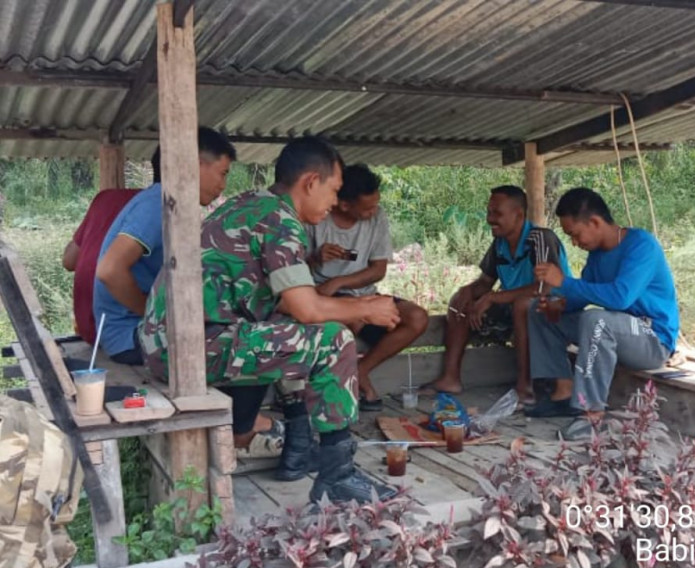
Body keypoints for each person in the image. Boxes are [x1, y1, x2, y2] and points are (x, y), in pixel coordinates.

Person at [139, 136, 402, 504]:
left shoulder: (252, 206)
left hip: (174, 343)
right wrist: (366, 308)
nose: (333, 202)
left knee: (296, 332)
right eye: (333, 190)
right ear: (311, 182)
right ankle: (338, 475)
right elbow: (307, 306)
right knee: (333, 340)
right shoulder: (279, 220)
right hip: (187, 349)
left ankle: (298, 447)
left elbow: (288, 308)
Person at [529, 187, 680, 441]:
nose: (575, 244)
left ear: (595, 222)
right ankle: (563, 393)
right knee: (538, 311)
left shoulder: (642, 246)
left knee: (596, 319)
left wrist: (563, 281)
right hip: (616, 331)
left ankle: (591, 414)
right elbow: (585, 294)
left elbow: (621, 297)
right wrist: (560, 305)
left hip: (652, 339)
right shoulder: (597, 255)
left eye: (575, 235)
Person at [94, 126, 235, 366]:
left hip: (133, 333)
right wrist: (154, 316)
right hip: (130, 336)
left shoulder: (166, 204)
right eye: (222, 173)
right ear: (194, 165)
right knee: (252, 347)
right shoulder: (158, 205)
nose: (223, 185)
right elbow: (109, 270)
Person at [420, 185, 570, 402]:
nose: (490, 219)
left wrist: (492, 297)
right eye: (489, 212)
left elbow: (544, 288)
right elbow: (485, 282)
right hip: (514, 307)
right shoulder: (500, 243)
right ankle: (450, 378)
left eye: (497, 213)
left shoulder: (540, 238)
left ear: (518, 214)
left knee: (523, 305)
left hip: (552, 309)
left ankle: (525, 387)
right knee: (459, 301)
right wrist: (467, 292)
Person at [306, 164, 428, 411]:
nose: (374, 212)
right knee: (345, 325)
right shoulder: (317, 217)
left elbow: (378, 270)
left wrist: (340, 282)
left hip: (364, 295)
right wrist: (315, 258)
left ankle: (361, 369)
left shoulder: (377, 217)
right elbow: (292, 269)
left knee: (417, 317)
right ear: (344, 205)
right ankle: (333, 394)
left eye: (376, 205)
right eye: (367, 208)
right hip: (325, 297)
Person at [63, 187, 141, 345]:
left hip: (88, 327)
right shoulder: (155, 206)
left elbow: (69, 261)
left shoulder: (105, 198)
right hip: (118, 335)